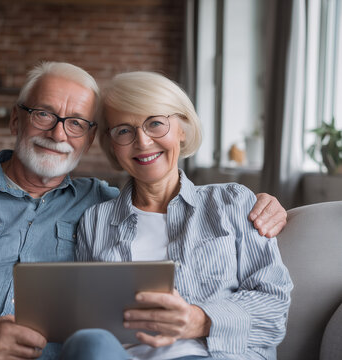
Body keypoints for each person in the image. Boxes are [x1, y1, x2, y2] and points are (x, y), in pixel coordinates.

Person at [0, 62, 287, 360]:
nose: (59, 133)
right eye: (45, 114)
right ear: (17, 119)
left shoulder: (114, 206)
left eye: (76, 122)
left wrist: (266, 205)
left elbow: (272, 299)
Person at [71, 71, 293, 360]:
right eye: (124, 130)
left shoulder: (233, 203)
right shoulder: (95, 221)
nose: (143, 141)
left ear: (183, 129)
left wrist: (198, 319)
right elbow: (87, 313)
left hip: (213, 354)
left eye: (155, 123)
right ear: (112, 145)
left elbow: (274, 308)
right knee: (88, 343)